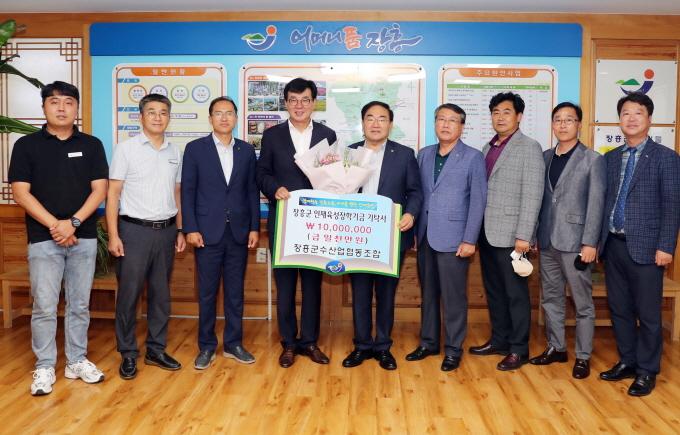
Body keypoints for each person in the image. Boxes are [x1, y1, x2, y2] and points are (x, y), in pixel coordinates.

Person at [8, 81, 108, 395]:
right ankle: (44, 366)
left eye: (68, 102)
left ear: (76, 107)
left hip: (84, 236)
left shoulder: (92, 144)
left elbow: (100, 190)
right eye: (54, 102)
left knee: (79, 304)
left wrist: (73, 223)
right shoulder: (26, 145)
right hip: (43, 237)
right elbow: (20, 193)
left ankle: (76, 361)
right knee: (44, 306)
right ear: (44, 107)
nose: (61, 108)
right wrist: (57, 226)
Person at [598, 92, 680, 396]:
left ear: (649, 119)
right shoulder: (610, 158)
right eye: (625, 113)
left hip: (648, 247)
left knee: (647, 313)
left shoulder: (666, 158)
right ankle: (628, 361)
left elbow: (672, 205)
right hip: (613, 245)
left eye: (638, 113)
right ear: (619, 120)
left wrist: (666, 246)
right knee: (619, 309)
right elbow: (605, 202)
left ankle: (647, 370)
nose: (631, 119)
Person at [256, 78, 337, 368]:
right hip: (285, 220)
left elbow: (334, 175)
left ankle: (310, 342)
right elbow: (261, 172)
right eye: (293, 100)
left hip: (316, 223)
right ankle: (289, 343)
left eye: (305, 100)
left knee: (313, 285)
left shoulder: (327, 134)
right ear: (286, 103)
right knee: (286, 286)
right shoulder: (272, 136)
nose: (299, 105)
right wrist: (274, 188)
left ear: (314, 103)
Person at [106, 93, 186, 380]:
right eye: (151, 112)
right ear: (141, 117)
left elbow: (176, 193)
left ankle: (156, 349)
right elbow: (113, 194)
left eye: (163, 112)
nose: (157, 117)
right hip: (133, 232)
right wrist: (113, 235)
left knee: (160, 295)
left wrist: (180, 229)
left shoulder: (175, 151)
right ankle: (128, 353)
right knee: (129, 295)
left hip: (166, 231)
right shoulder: (126, 149)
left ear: (169, 117)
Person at [342, 101, 422, 371]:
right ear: (362, 122)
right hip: (357, 237)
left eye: (382, 118)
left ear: (390, 124)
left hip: (391, 236)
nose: (375, 124)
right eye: (370, 118)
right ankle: (362, 346)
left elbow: (415, 191)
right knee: (360, 292)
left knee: (386, 294)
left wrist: (410, 214)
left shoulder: (404, 154)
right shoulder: (349, 153)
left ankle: (383, 347)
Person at [406, 103, 487, 372]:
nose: (445, 124)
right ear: (435, 123)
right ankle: (428, 343)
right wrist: (415, 231)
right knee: (428, 293)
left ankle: (453, 349)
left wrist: (470, 239)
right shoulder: (424, 154)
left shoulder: (473, 157)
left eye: (452, 120)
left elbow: (478, 201)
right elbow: (419, 195)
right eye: (441, 119)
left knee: (453, 298)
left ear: (462, 126)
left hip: (455, 239)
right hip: (425, 235)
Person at [182, 96, 260, 369]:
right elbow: (188, 191)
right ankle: (206, 346)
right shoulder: (195, 149)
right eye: (218, 113)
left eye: (229, 113)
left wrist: (254, 227)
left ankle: (233, 343)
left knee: (235, 293)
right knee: (207, 293)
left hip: (238, 231)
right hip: (206, 232)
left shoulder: (246, 150)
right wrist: (190, 228)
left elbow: (251, 190)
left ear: (236, 118)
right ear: (210, 118)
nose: (224, 118)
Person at [468, 92, 544, 371]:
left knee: (515, 293)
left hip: (513, 236)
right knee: (495, 291)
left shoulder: (529, 147)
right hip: (487, 233)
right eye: (496, 112)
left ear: (519, 116)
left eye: (507, 112)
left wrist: (525, 235)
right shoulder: (488, 148)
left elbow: (533, 194)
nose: (500, 117)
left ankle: (518, 349)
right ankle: (499, 340)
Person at [530, 102, 605, 379]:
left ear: (579, 124)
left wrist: (590, 243)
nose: (563, 124)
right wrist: (534, 234)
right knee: (551, 298)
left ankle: (583, 356)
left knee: (582, 303)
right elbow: (540, 200)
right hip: (547, 240)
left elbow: (596, 204)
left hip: (576, 243)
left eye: (569, 119)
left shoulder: (592, 159)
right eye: (558, 120)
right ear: (552, 125)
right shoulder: (545, 157)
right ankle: (557, 347)